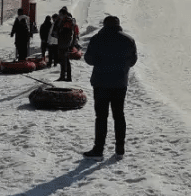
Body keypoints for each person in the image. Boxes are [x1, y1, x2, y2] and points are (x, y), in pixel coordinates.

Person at [82, 15, 138, 158]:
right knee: (119, 115)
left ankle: (98, 149)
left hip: (101, 83)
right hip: (120, 83)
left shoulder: (97, 39)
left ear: (105, 25)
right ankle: (120, 149)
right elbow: (133, 60)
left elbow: (89, 59)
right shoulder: (128, 40)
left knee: (101, 117)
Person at [54, 11, 75, 82]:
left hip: (65, 43)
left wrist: (58, 34)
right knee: (63, 60)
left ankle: (67, 76)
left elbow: (66, 33)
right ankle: (63, 76)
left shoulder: (67, 21)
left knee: (65, 60)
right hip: (62, 42)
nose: (59, 16)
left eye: (60, 14)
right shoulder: (63, 21)